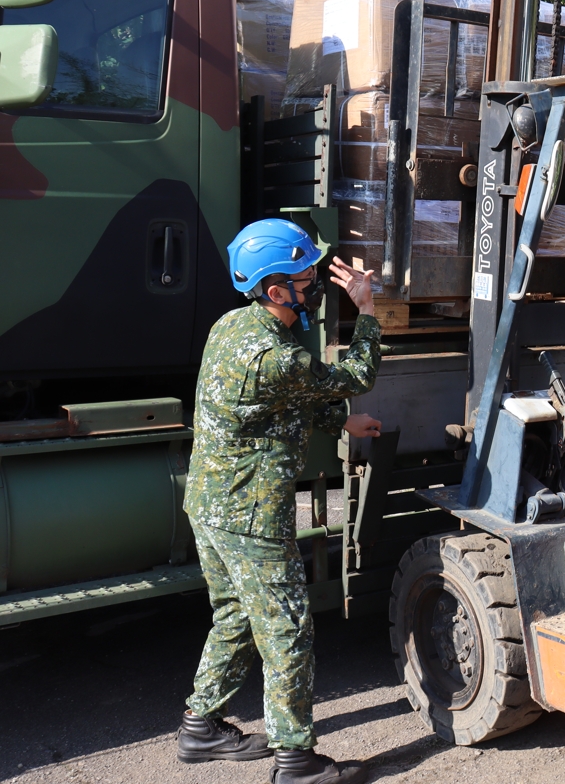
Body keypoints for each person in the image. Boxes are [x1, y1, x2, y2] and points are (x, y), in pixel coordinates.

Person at [177, 218, 383, 784]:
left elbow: (280, 405)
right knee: (287, 628)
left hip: (212, 503)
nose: (316, 278)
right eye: (306, 272)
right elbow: (355, 374)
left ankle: (201, 726)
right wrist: (365, 309)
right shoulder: (278, 357)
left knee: (237, 615)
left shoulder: (234, 326)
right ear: (276, 291)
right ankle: (296, 761)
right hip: (249, 513)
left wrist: (342, 419)